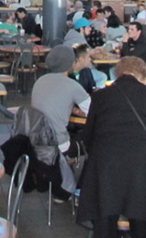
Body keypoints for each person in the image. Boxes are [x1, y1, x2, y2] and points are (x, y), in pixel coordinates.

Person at [77, 56, 146, 238]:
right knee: (143, 226)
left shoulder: (99, 97)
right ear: (142, 77)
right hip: (140, 172)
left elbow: (87, 139)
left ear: (118, 74)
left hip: (104, 171)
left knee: (104, 227)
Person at [30, 45, 91, 200]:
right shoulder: (73, 86)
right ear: (71, 63)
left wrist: (73, 110)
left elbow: (50, 104)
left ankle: (61, 177)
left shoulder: (40, 81)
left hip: (36, 139)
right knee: (93, 141)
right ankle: (79, 188)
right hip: (58, 143)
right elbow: (93, 110)